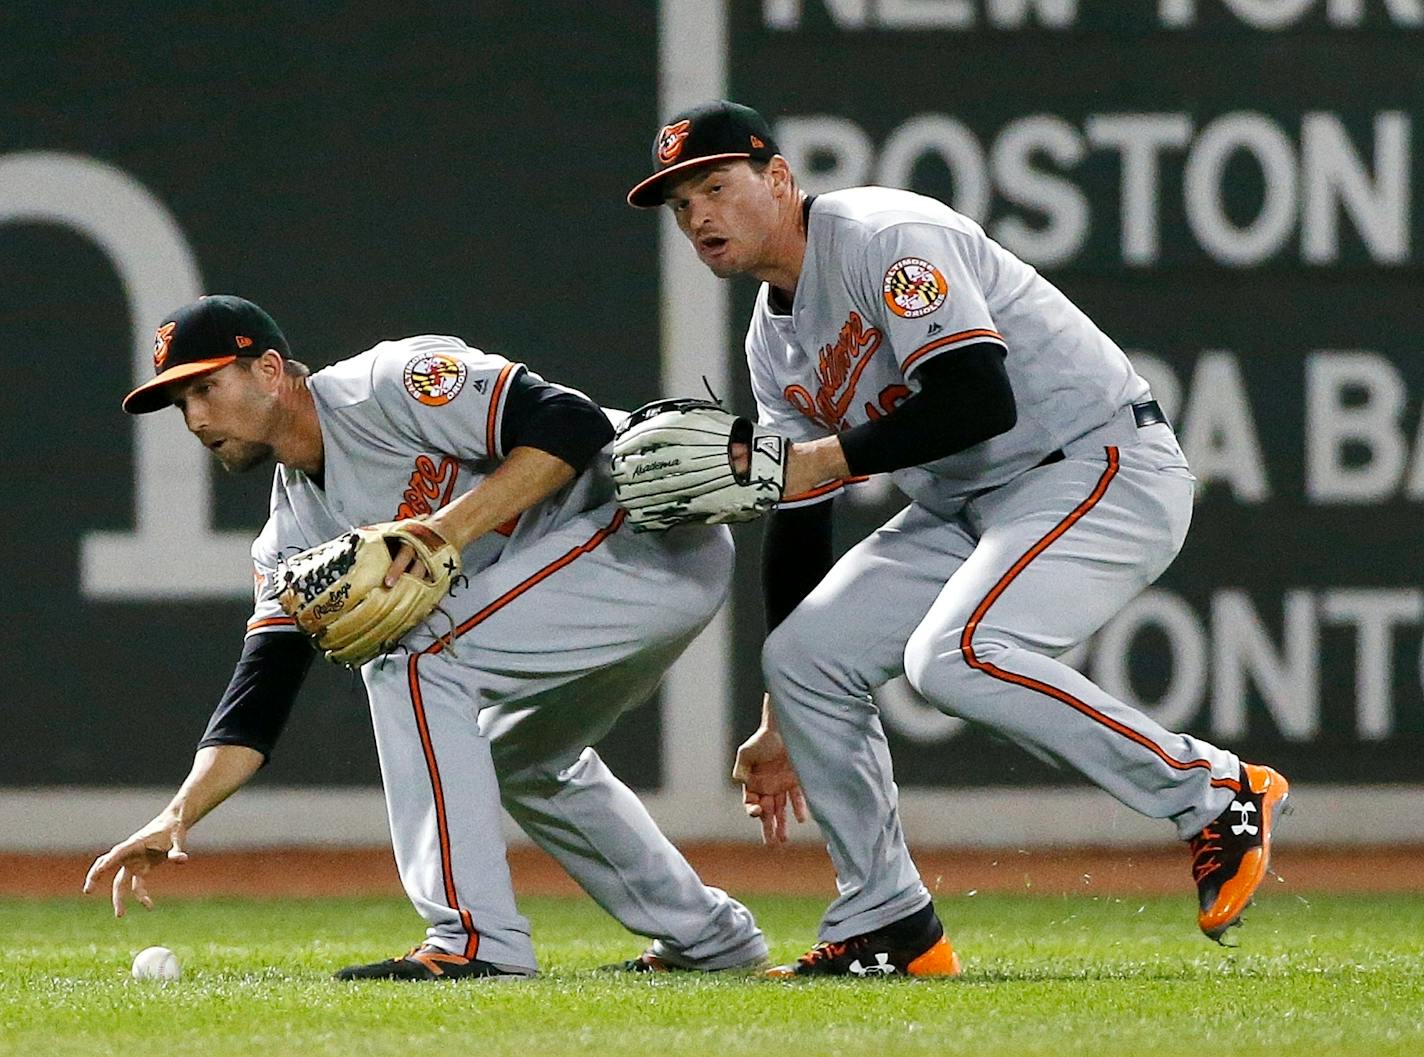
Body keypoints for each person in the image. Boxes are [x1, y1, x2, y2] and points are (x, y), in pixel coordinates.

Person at [625, 101, 1290, 978]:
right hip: (971, 503)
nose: (700, 216)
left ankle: (1217, 793)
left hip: (1098, 461)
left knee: (955, 655)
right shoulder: (770, 339)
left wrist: (822, 455)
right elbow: (800, 509)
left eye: (716, 186)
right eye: (681, 205)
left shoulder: (883, 237)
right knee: (804, 659)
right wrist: (780, 718)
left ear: (779, 179)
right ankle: (888, 922)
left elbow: (979, 397)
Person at [82, 294, 767, 980]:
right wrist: (177, 815)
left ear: (268, 370)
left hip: (646, 530)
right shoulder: (291, 536)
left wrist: (446, 529)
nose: (196, 418)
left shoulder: (388, 385)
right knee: (521, 755)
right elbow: (259, 694)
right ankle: (708, 939)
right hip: (591, 589)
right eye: (181, 403)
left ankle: (474, 940)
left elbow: (572, 421)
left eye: (206, 386)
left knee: (411, 661)